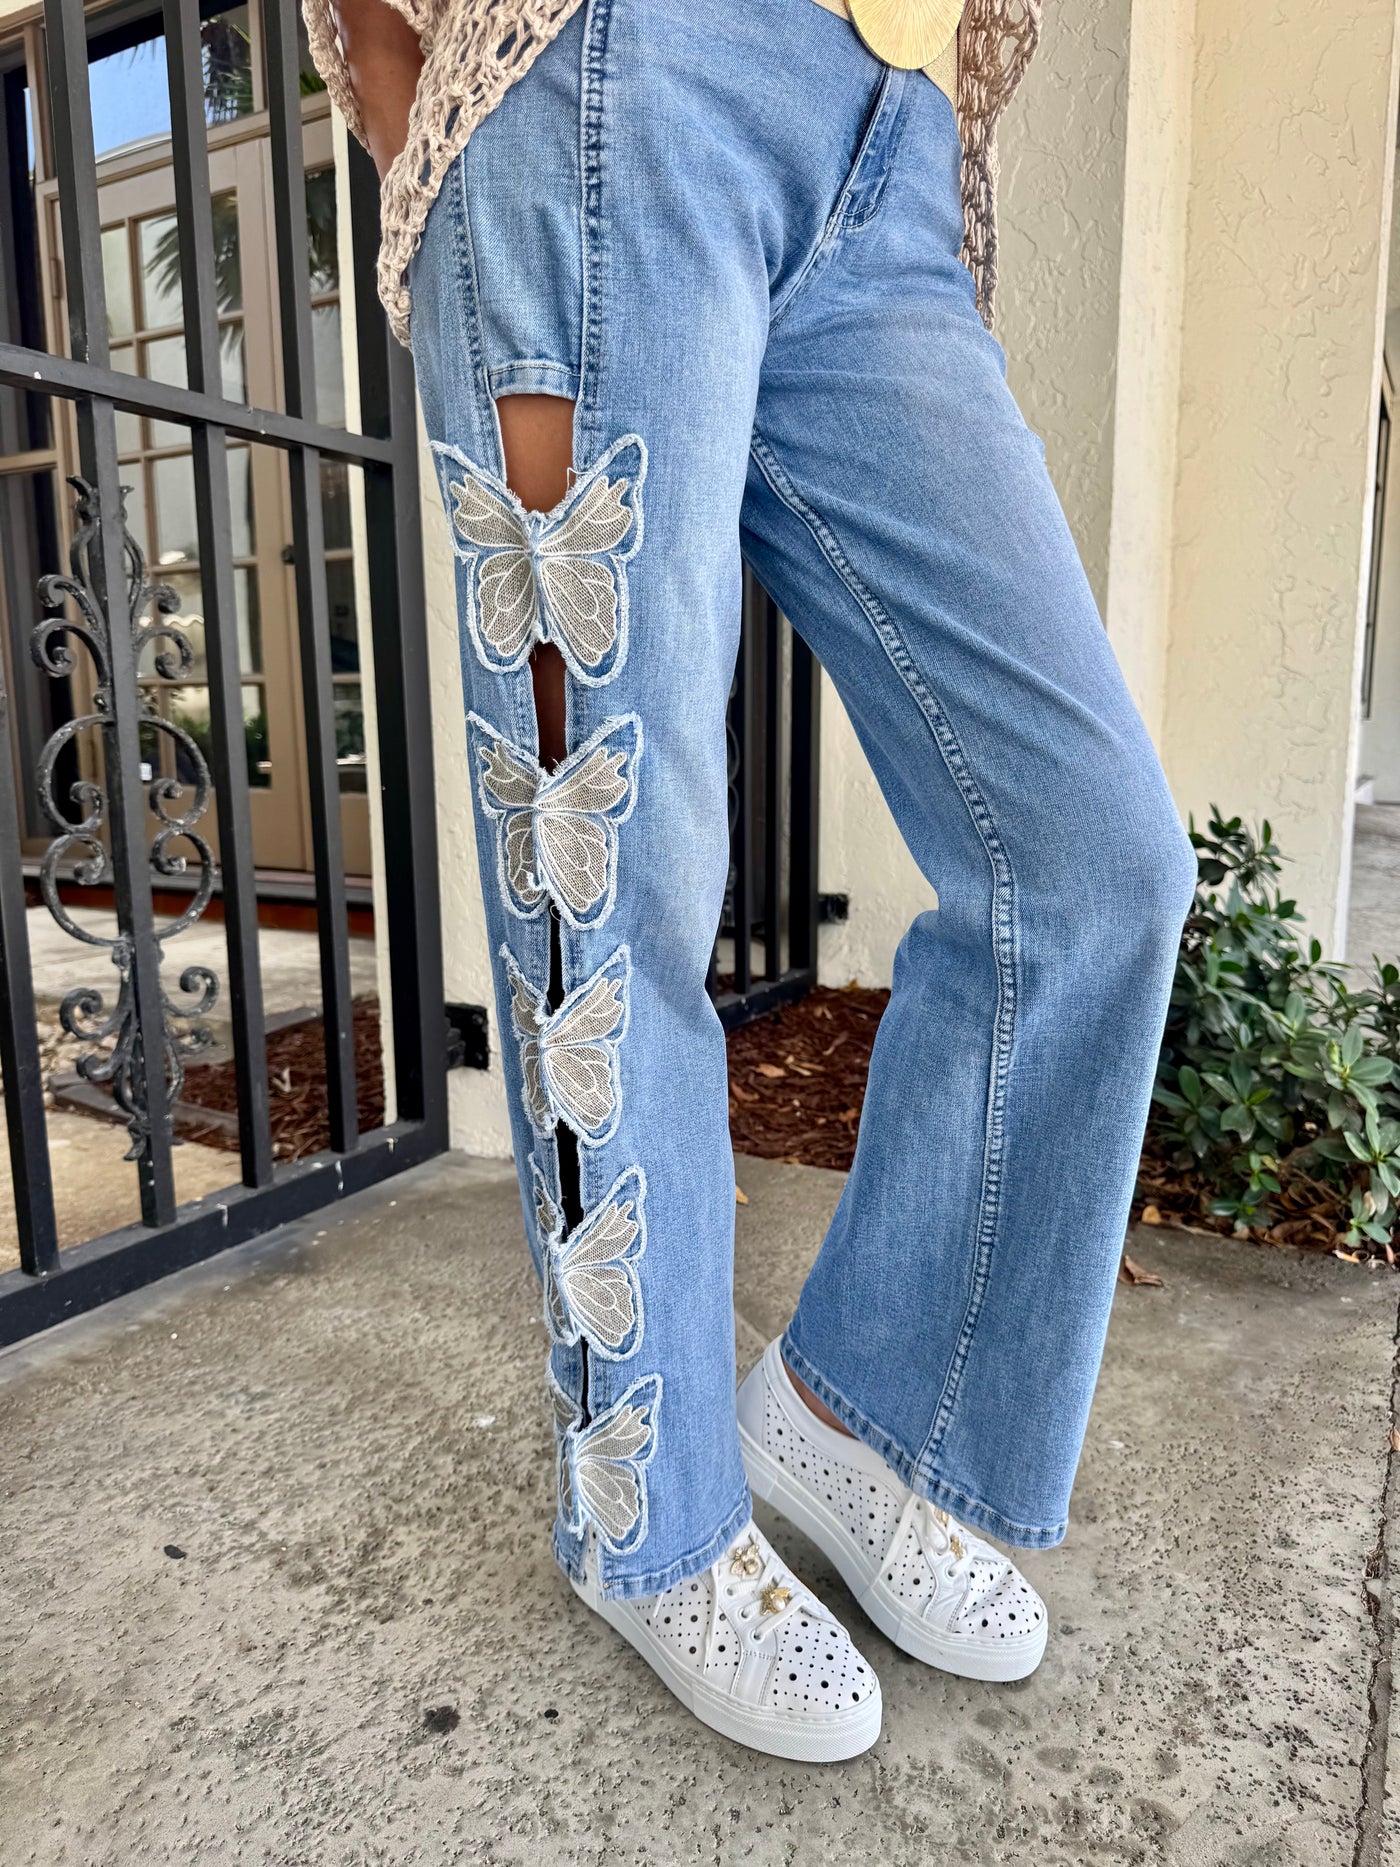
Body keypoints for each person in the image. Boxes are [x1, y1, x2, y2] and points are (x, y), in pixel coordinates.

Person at [304, 0, 1197, 1761]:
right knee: (605, 880)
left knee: (1093, 859)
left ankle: (875, 1416)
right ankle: (655, 1522)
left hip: (888, 145)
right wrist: (430, 113)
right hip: (601, 81)